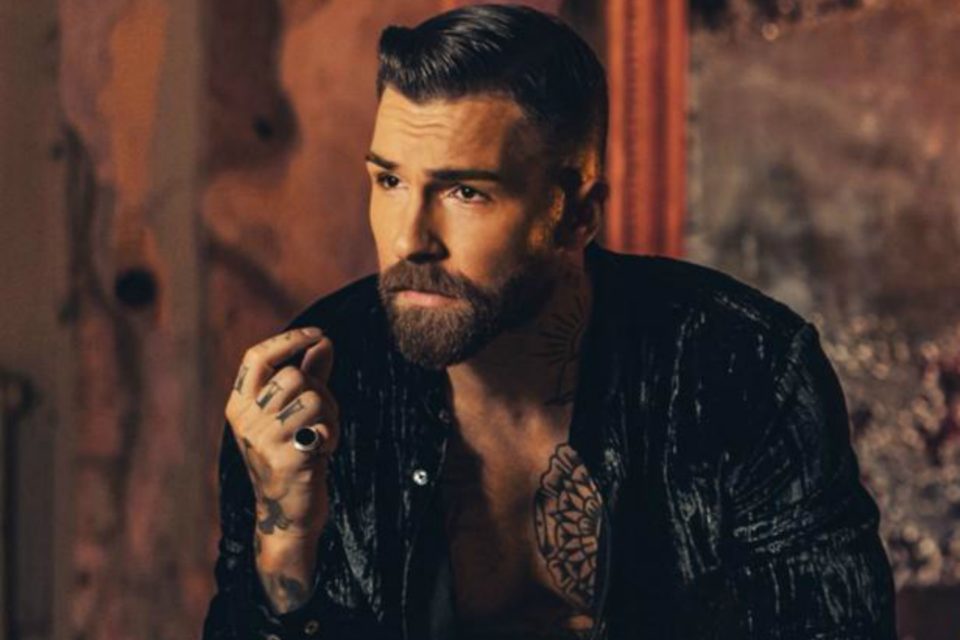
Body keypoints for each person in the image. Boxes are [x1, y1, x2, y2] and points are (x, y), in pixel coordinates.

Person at [202, 5, 896, 639]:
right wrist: (284, 536)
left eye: (465, 191)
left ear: (576, 216)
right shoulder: (315, 389)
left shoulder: (743, 368)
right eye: (389, 181)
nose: (409, 239)